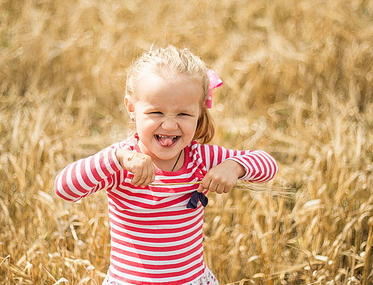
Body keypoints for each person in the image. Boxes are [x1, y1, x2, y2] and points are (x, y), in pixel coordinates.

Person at [54, 45, 278, 285]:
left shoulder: (199, 158)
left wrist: (234, 166)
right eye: (157, 112)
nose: (169, 126)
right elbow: (64, 188)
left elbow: (268, 165)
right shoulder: (122, 161)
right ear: (132, 108)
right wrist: (116, 159)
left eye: (183, 115)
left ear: (200, 113)